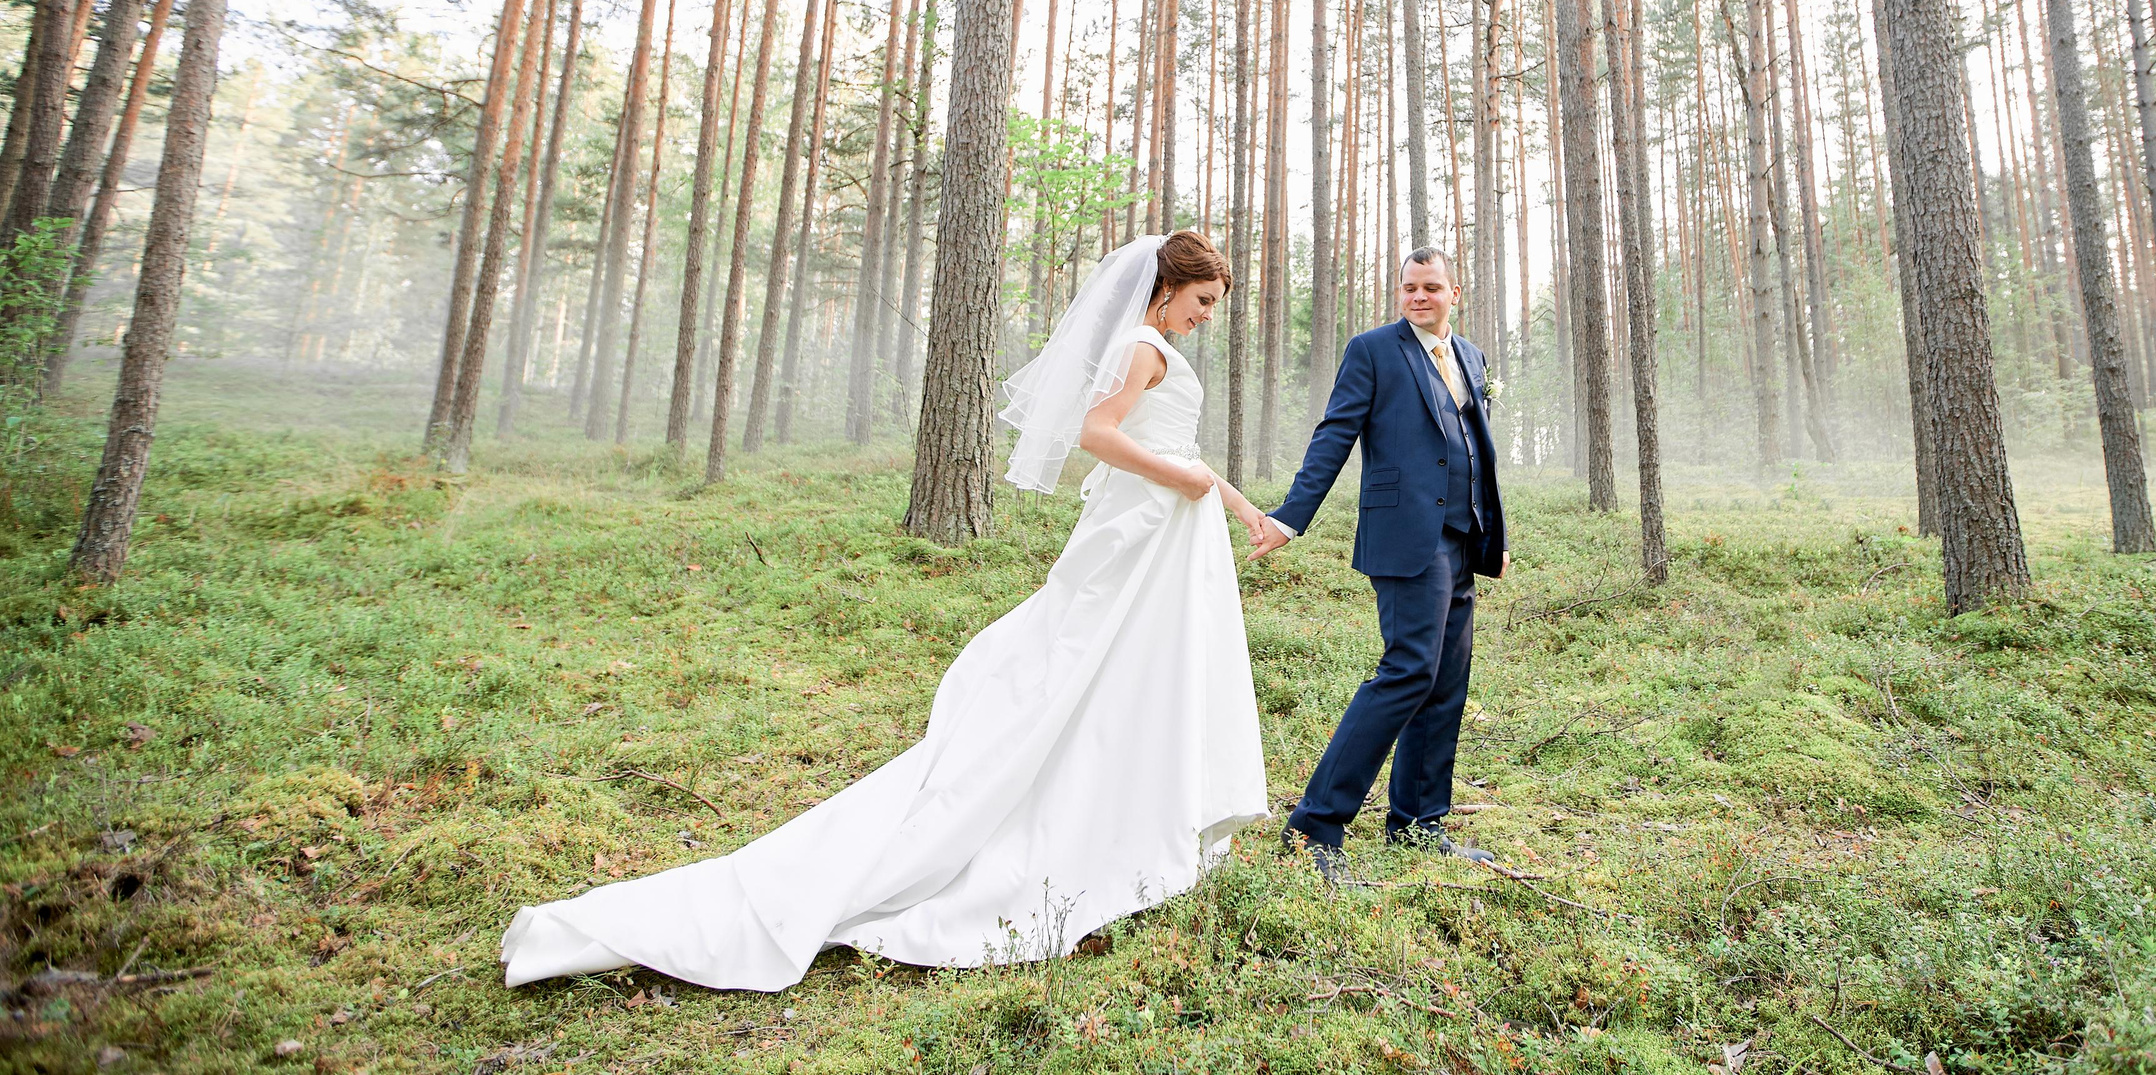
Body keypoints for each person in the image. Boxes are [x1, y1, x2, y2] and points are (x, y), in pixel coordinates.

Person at [501, 231, 1271, 989]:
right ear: (1167, 287)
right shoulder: (1144, 344)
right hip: (1142, 528)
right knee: (1094, 673)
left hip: (1163, 527)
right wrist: (1183, 480)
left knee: (1138, 676)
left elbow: (1186, 454)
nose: (1206, 315)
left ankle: (1135, 812)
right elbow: (1097, 433)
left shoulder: (1158, 349)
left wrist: (1239, 508)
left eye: (1213, 305)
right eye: (1203, 300)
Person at [1247, 246, 1507, 882]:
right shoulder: (1373, 350)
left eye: (1432, 287)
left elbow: (1475, 447)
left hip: (1460, 538)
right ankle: (1314, 827)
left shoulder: (1470, 357)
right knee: (1407, 671)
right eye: (1409, 287)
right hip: (1404, 537)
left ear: (1455, 294)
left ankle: (1419, 824)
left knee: (1445, 680)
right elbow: (1335, 432)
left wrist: (1491, 531)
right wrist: (1289, 516)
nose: (1419, 297)